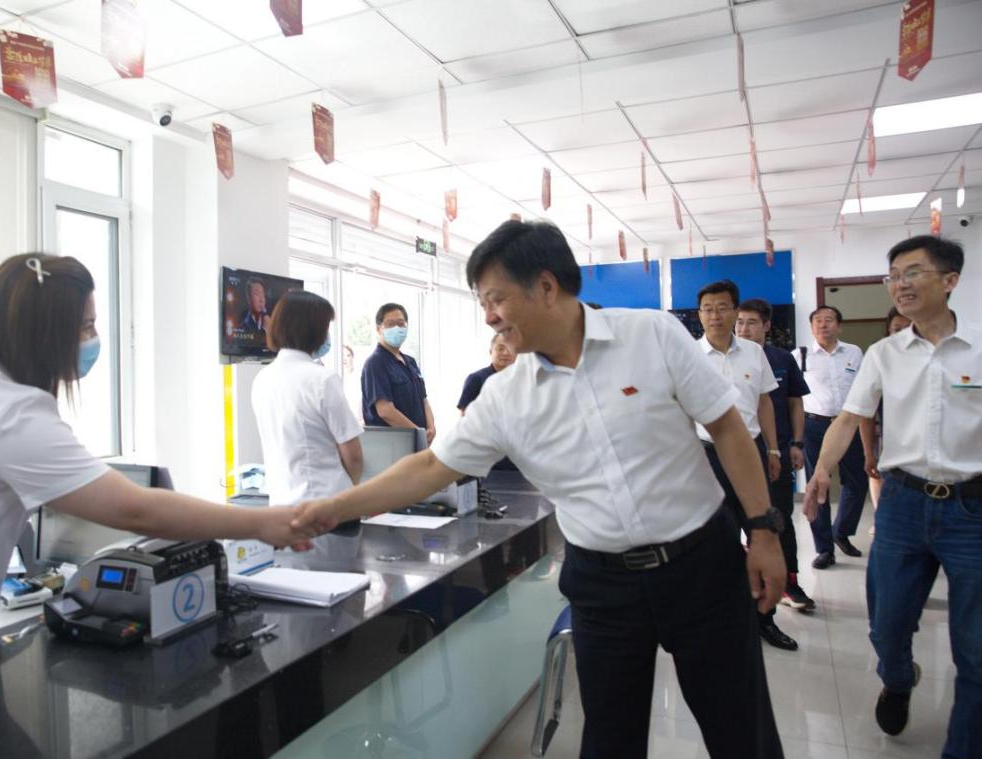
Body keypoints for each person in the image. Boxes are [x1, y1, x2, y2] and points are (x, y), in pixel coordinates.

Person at [295, 220, 787, 758]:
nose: (489, 316)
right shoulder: (505, 396)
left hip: (701, 565)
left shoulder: (652, 335)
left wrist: (763, 531)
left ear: (547, 287)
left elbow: (727, 427)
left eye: (496, 299)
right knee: (610, 741)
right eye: (482, 303)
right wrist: (332, 508)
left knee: (741, 731)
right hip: (603, 586)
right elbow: (429, 467)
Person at [0, 254, 316, 699]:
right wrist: (262, 523)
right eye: (86, 326)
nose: (93, 338)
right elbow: (133, 508)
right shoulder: (3, 409)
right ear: (44, 331)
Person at [804, 236, 980, 756]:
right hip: (903, 504)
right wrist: (821, 471)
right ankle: (898, 678)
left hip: (972, 509)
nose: (900, 285)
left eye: (912, 273)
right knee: (886, 625)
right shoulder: (884, 354)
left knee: (976, 649)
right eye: (893, 276)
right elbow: (848, 418)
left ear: (950, 280)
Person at [694, 281, 796, 651]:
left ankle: (764, 618)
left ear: (736, 311)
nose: (715, 315)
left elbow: (766, 403)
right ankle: (721, 618)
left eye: (722, 307)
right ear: (700, 314)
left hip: (751, 450)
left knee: (762, 532)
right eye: (707, 308)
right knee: (713, 540)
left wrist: (773, 450)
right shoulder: (689, 355)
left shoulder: (754, 352)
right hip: (706, 454)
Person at [251, 290, 364, 535]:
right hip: (328, 510)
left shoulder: (262, 379)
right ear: (313, 330)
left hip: (281, 508)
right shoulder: (322, 379)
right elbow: (353, 455)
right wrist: (353, 489)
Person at [737, 298, 817, 613]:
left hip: (776, 452)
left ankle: (789, 582)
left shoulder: (782, 359)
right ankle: (745, 585)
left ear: (767, 325)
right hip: (735, 452)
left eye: (751, 322)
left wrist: (796, 443)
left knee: (778, 517)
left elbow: (795, 402)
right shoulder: (724, 358)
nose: (744, 328)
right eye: (740, 321)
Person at [799, 304, 868, 569]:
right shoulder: (800, 355)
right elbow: (794, 398)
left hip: (848, 424)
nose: (823, 324)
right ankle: (824, 549)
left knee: (857, 482)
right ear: (811, 327)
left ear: (839, 326)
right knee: (818, 486)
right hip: (814, 426)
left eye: (829, 320)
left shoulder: (854, 352)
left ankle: (841, 531)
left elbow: (864, 389)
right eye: (817, 320)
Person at [859, 307, 912, 527]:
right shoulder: (879, 357)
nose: (902, 335)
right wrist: (868, 453)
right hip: (890, 444)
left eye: (908, 328)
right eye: (896, 329)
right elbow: (864, 413)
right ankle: (881, 521)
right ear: (888, 331)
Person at [361, 303, 436, 444]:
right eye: (390, 324)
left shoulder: (410, 362)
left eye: (401, 324)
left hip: (416, 440)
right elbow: (385, 411)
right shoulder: (375, 362)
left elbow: (424, 400)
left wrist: (431, 427)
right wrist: (418, 433)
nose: (396, 328)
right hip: (391, 444)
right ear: (378, 329)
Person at [457, 333, 516, 415]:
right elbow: (465, 415)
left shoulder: (522, 378)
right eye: (500, 349)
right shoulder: (476, 378)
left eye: (510, 348)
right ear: (491, 352)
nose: (506, 353)